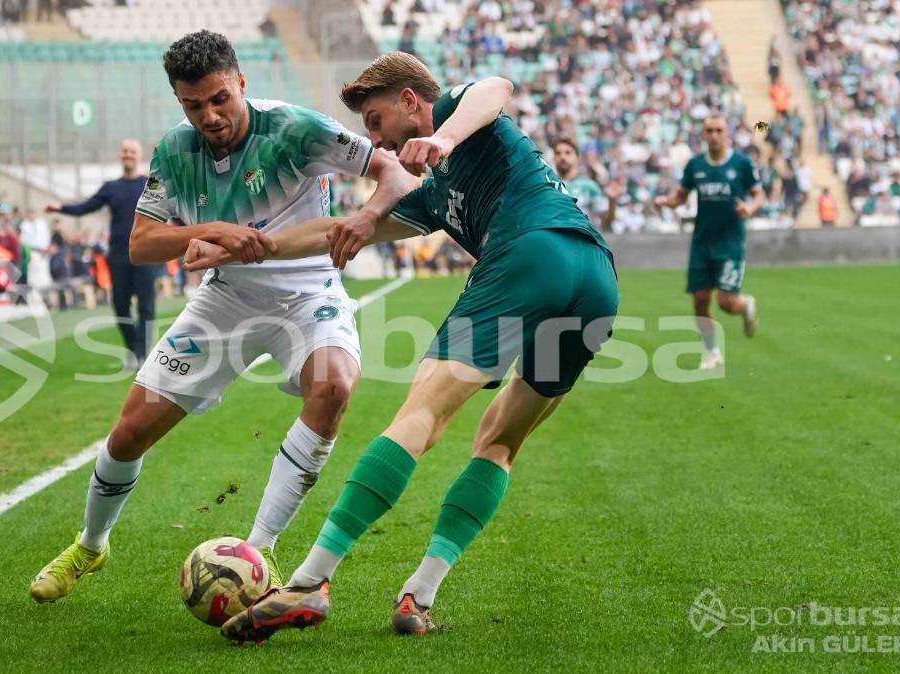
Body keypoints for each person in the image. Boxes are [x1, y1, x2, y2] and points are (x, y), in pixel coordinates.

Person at [199, 51, 619, 641]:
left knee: (418, 418)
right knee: (499, 443)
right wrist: (249, 246)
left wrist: (442, 138)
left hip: (530, 254)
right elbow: (336, 231)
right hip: (595, 279)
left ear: (410, 102)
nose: (374, 139)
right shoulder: (431, 193)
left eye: (374, 120)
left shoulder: (451, 113)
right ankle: (418, 594)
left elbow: (497, 85)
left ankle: (309, 582)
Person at [27, 30, 413, 604]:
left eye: (218, 99)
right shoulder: (175, 152)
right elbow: (141, 244)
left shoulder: (294, 128)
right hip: (226, 297)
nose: (208, 116)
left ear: (240, 84)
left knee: (333, 387)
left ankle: (257, 554)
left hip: (309, 293)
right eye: (192, 105)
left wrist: (364, 219)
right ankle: (91, 543)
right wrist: (209, 232)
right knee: (129, 433)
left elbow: (396, 174)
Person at [655, 115, 764, 370]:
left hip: (730, 244)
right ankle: (711, 351)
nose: (714, 135)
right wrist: (666, 202)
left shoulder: (742, 164)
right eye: (709, 130)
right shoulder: (695, 165)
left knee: (726, 302)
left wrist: (750, 207)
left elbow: (759, 194)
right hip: (702, 243)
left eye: (718, 130)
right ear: (703, 135)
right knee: (700, 300)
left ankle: (746, 305)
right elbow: (681, 197)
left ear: (726, 134)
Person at [47, 139, 158, 368]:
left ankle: (142, 352)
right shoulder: (111, 187)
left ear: (139, 156)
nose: (128, 154)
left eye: (132, 151)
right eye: (125, 151)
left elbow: (169, 205)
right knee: (120, 304)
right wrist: (61, 208)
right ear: (121, 155)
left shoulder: (151, 184)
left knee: (146, 305)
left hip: (145, 252)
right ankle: (134, 350)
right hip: (118, 254)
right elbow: (85, 207)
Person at [552, 137, 619, 232]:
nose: (563, 157)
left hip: (582, 243)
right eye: (558, 153)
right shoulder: (549, 186)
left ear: (577, 157)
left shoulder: (589, 186)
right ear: (553, 158)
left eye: (568, 153)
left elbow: (606, 223)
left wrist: (612, 202)